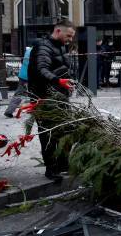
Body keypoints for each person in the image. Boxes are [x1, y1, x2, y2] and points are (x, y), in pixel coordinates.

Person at [27, 20, 76, 181]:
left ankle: (63, 164)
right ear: (57, 31)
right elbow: (41, 70)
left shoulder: (61, 45)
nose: (70, 39)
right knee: (48, 133)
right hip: (44, 96)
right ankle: (51, 169)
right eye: (68, 36)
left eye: (71, 37)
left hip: (60, 95)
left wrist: (66, 82)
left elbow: (62, 67)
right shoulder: (43, 47)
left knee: (65, 129)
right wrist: (58, 81)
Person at [4, 42, 35, 118]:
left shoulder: (28, 51)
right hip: (29, 76)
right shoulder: (35, 52)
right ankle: (9, 111)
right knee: (30, 93)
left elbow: (22, 61)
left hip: (22, 75)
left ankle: (32, 109)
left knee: (25, 93)